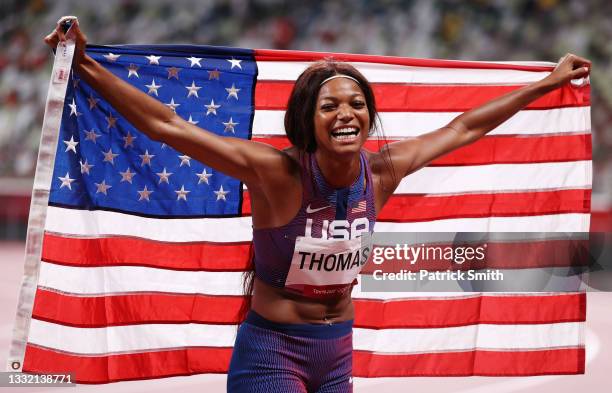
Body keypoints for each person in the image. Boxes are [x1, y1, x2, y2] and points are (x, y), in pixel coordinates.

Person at [45, 16, 591, 393]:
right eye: (330, 105)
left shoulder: (382, 172)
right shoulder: (274, 172)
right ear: (308, 120)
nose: (346, 112)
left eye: (357, 103)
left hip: (338, 351)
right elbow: (169, 126)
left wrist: (547, 83)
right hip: (271, 351)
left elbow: (465, 126)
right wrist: (86, 63)